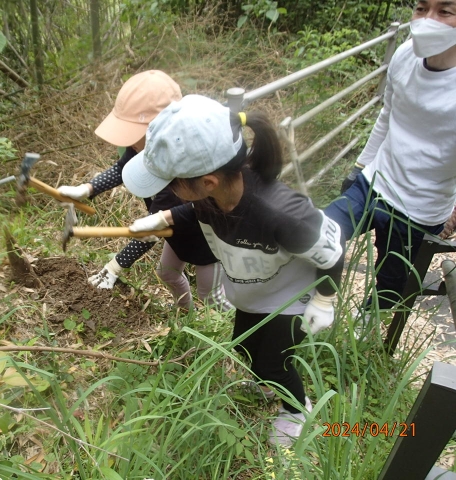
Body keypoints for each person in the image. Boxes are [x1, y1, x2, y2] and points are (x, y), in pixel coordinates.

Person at [121, 94, 345, 446]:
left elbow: (332, 253)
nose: (167, 190)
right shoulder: (209, 198)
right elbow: (191, 213)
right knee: (244, 348)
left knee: (275, 363)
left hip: (290, 301)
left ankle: (296, 409)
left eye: (172, 182)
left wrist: (325, 300)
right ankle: (266, 385)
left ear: (207, 181)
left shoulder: (282, 213)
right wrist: (160, 218)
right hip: (252, 293)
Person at [57, 70, 233, 312]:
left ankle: (232, 330)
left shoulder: (177, 178)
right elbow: (123, 167)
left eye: (133, 133)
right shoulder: (145, 148)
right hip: (177, 236)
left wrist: (115, 266)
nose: (129, 143)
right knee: (167, 274)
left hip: (206, 243)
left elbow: (153, 228)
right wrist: (87, 189)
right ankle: (186, 312)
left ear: (159, 128)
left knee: (210, 294)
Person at [325, 0, 456, 318]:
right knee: (319, 236)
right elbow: (387, 114)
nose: (427, 20)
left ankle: (364, 330)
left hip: (419, 208)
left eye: (445, 12)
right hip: (374, 180)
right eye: (421, 9)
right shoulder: (404, 55)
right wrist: (359, 167)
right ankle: (312, 306)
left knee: (391, 283)